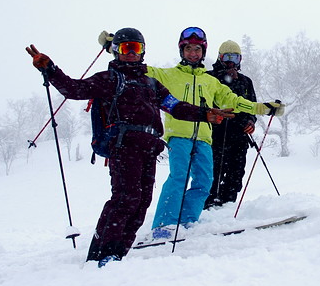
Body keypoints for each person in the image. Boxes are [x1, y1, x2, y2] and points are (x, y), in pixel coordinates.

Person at [26, 28, 233, 268]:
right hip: (124, 147)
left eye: (136, 48)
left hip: (149, 148)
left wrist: (205, 114)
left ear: (143, 51)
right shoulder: (109, 79)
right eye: (126, 48)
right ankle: (100, 255)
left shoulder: (151, 84)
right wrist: (50, 69)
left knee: (142, 201)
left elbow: (176, 107)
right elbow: (74, 89)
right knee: (125, 199)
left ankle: (117, 255)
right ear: (116, 52)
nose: (132, 53)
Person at [100, 27, 283, 240]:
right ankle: (164, 225)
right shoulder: (168, 75)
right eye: (188, 49)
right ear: (182, 51)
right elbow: (136, 68)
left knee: (204, 181)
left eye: (197, 49)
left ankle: (186, 223)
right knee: (178, 177)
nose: (193, 53)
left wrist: (262, 108)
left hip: (204, 138)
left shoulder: (211, 81)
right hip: (178, 135)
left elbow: (235, 101)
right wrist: (115, 47)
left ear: (203, 52)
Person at [203, 40, 258, 209]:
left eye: (235, 57)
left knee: (236, 174)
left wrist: (251, 121)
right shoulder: (209, 77)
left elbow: (252, 106)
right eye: (227, 57)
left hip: (239, 136)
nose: (231, 61)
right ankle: (207, 207)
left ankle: (227, 208)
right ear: (220, 57)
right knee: (211, 174)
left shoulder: (246, 81)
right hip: (214, 136)